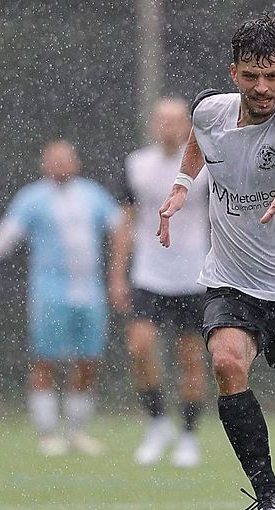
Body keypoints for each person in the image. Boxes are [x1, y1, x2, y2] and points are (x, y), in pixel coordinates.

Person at [155, 13, 275, 510]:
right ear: (234, 72)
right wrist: (185, 183)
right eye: (251, 76)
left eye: (272, 77)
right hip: (231, 280)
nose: (262, 88)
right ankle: (268, 498)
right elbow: (199, 137)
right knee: (227, 362)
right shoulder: (211, 110)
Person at [0, 139, 125, 458]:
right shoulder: (32, 198)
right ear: (44, 164)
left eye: (66, 159)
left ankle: (76, 431)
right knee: (45, 360)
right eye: (54, 160)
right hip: (50, 292)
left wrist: (121, 273)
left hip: (90, 293)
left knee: (88, 361)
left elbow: (121, 227)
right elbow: (8, 233)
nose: (61, 165)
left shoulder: (92, 195)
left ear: (76, 162)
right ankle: (47, 433)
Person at [109, 98, 210, 468]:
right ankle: (156, 423)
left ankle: (188, 435)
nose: (169, 127)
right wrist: (117, 275)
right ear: (153, 125)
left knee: (191, 359)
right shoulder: (136, 165)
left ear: (188, 125)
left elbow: (223, 219)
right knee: (139, 348)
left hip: (194, 277)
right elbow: (125, 223)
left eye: (176, 120)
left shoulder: (205, 166)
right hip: (148, 275)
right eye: (162, 120)